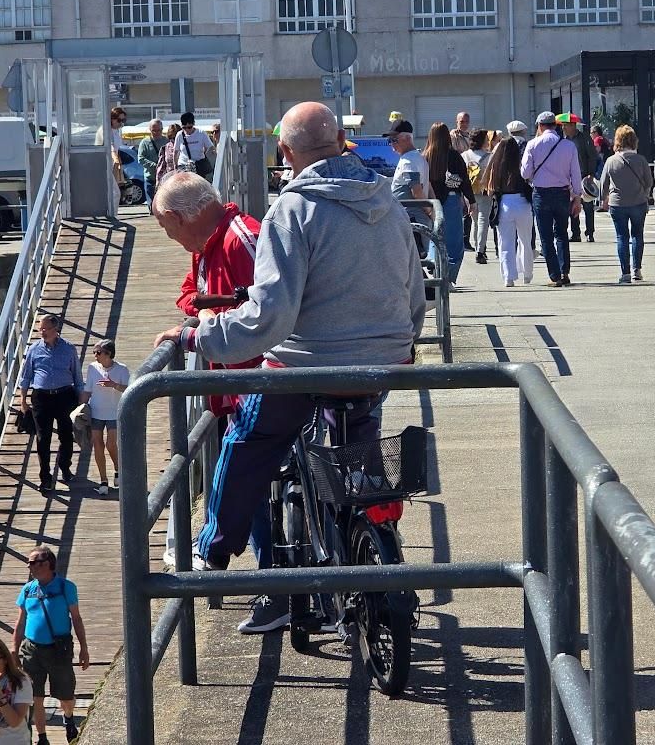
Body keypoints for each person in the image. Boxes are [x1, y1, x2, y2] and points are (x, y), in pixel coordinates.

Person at [153, 102, 425, 575]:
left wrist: (202, 338)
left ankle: (211, 550)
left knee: (248, 438)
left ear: (284, 150)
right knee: (358, 443)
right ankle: (374, 523)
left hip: (309, 365)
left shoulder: (291, 210)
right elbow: (414, 294)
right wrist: (402, 341)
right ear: (340, 142)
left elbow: (269, 318)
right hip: (384, 362)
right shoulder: (388, 203)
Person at [153, 172, 280, 633]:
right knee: (257, 491)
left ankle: (270, 581)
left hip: (259, 384)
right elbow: (189, 294)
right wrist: (207, 309)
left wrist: (207, 316)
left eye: (168, 229)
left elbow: (268, 307)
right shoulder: (208, 243)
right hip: (236, 385)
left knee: (256, 483)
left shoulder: (241, 238)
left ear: (177, 216)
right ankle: (275, 584)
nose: (172, 239)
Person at [12, 546, 89, 745]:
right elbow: (20, 622)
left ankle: (69, 717)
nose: (30, 566)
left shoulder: (66, 587)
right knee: (35, 695)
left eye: (33, 562)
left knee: (66, 695)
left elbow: (77, 619)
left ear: (47, 564)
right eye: (29, 562)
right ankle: (42, 737)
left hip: (59, 649)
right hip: (32, 649)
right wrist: (14, 649)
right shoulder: (28, 589)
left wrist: (84, 648)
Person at [16, 314, 83, 492]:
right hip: (41, 398)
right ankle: (45, 477)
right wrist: (22, 400)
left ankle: (65, 466)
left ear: (56, 330)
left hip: (64, 395)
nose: (42, 332)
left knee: (66, 435)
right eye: (40, 328)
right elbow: (25, 377)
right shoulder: (34, 349)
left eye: (45, 328)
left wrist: (81, 401)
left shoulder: (69, 349)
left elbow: (77, 376)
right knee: (42, 438)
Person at [520, 111, 583, 286]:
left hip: (541, 193)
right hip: (562, 193)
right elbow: (576, 174)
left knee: (546, 236)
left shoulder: (532, 145)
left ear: (539, 126)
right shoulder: (569, 146)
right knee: (562, 233)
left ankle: (554, 275)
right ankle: (564, 272)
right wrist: (577, 197)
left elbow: (525, 172)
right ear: (556, 125)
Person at [598, 124, 653, 284]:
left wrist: (603, 200)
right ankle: (637, 269)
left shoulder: (611, 161)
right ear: (634, 140)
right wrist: (645, 195)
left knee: (622, 236)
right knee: (637, 235)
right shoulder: (641, 160)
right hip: (638, 202)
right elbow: (649, 182)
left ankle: (625, 272)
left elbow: (603, 184)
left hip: (617, 204)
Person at [423, 122, 476, 285]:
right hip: (452, 200)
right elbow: (465, 180)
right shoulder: (454, 156)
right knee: (454, 242)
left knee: (436, 238)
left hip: (431, 202)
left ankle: (436, 271)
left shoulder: (425, 156)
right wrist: (471, 201)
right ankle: (449, 277)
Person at [479, 135, 533, 287]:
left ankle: (508, 277)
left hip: (505, 204)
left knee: (506, 243)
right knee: (525, 240)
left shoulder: (496, 166)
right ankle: (527, 274)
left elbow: (489, 191)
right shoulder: (521, 163)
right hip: (522, 202)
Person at [78, 339, 128, 497]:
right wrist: (79, 408)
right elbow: (87, 390)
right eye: (94, 352)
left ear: (109, 354)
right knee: (98, 445)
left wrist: (114, 385)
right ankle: (104, 480)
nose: (95, 355)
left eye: (98, 352)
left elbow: (129, 389)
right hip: (96, 412)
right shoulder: (93, 368)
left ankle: (118, 469)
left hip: (114, 412)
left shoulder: (122, 369)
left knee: (111, 444)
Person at [562, 115, 599, 243]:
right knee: (572, 205)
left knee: (588, 205)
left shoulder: (584, 138)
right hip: (569, 177)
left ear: (572, 125)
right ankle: (575, 233)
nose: (563, 128)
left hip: (584, 175)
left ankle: (590, 232)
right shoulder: (563, 140)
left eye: (565, 125)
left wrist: (591, 174)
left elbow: (592, 156)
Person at [463, 129, 493, 264]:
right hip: (485, 191)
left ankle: (477, 248)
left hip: (469, 192)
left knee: (475, 221)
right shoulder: (489, 156)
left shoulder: (465, 155)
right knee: (483, 221)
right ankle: (480, 251)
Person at [174, 113, 214, 181]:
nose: (187, 130)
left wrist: (203, 154)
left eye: (189, 127)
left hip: (198, 166)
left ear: (193, 124)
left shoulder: (201, 133)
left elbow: (210, 147)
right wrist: (175, 167)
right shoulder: (179, 135)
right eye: (184, 127)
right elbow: (175, 152)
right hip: (184, 166)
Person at [136, 119, 167, 203]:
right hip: (150, 178)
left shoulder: (166, 141)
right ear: (150, 130)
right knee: (152, 204)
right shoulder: (145, 142)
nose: (156, 133)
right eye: (154, 131)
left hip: (164, 178)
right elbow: (140, 158)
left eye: (159, 130)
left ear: (162, 129)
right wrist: (154, 165)